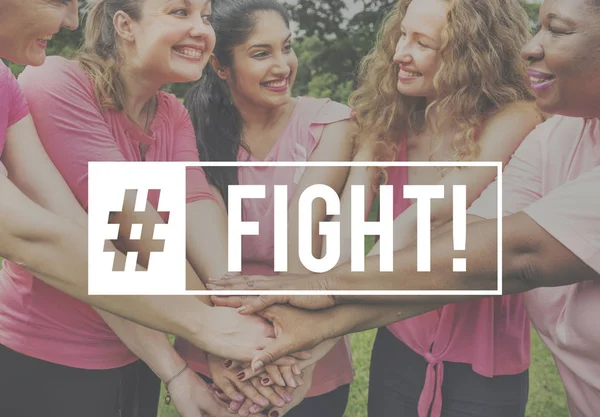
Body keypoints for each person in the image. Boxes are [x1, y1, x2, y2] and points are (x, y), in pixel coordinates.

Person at [211, 0, 600, 415]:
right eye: (401, 36)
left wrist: (323, 300)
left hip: (484, 357)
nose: (400, 53)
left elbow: (435, 219)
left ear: (469, 54)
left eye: (423, 43)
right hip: (398, 335)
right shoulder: (387, 123)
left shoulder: (518, 119)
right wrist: (305, 334)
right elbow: (348, 230)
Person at [0, 1, 276, 416]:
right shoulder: (55, 81)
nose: (202, 29)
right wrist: (213, 331)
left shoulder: (171, 113)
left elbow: (193, 202)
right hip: (52, 357)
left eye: (206, 15)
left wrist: (233, 307)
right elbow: (129, 227)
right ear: (125, 26)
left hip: (142, 350)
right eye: (180, 12)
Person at [179, 1, 356, 416]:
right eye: (261, 53)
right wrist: (223, 347)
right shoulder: (192, 130)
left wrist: (289, 351)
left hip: (305, 348)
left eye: (287, 47)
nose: (282, 65)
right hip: (218, 346)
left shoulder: (331, 126)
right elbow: (204, 260)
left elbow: (305, 250)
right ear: (221, 67)